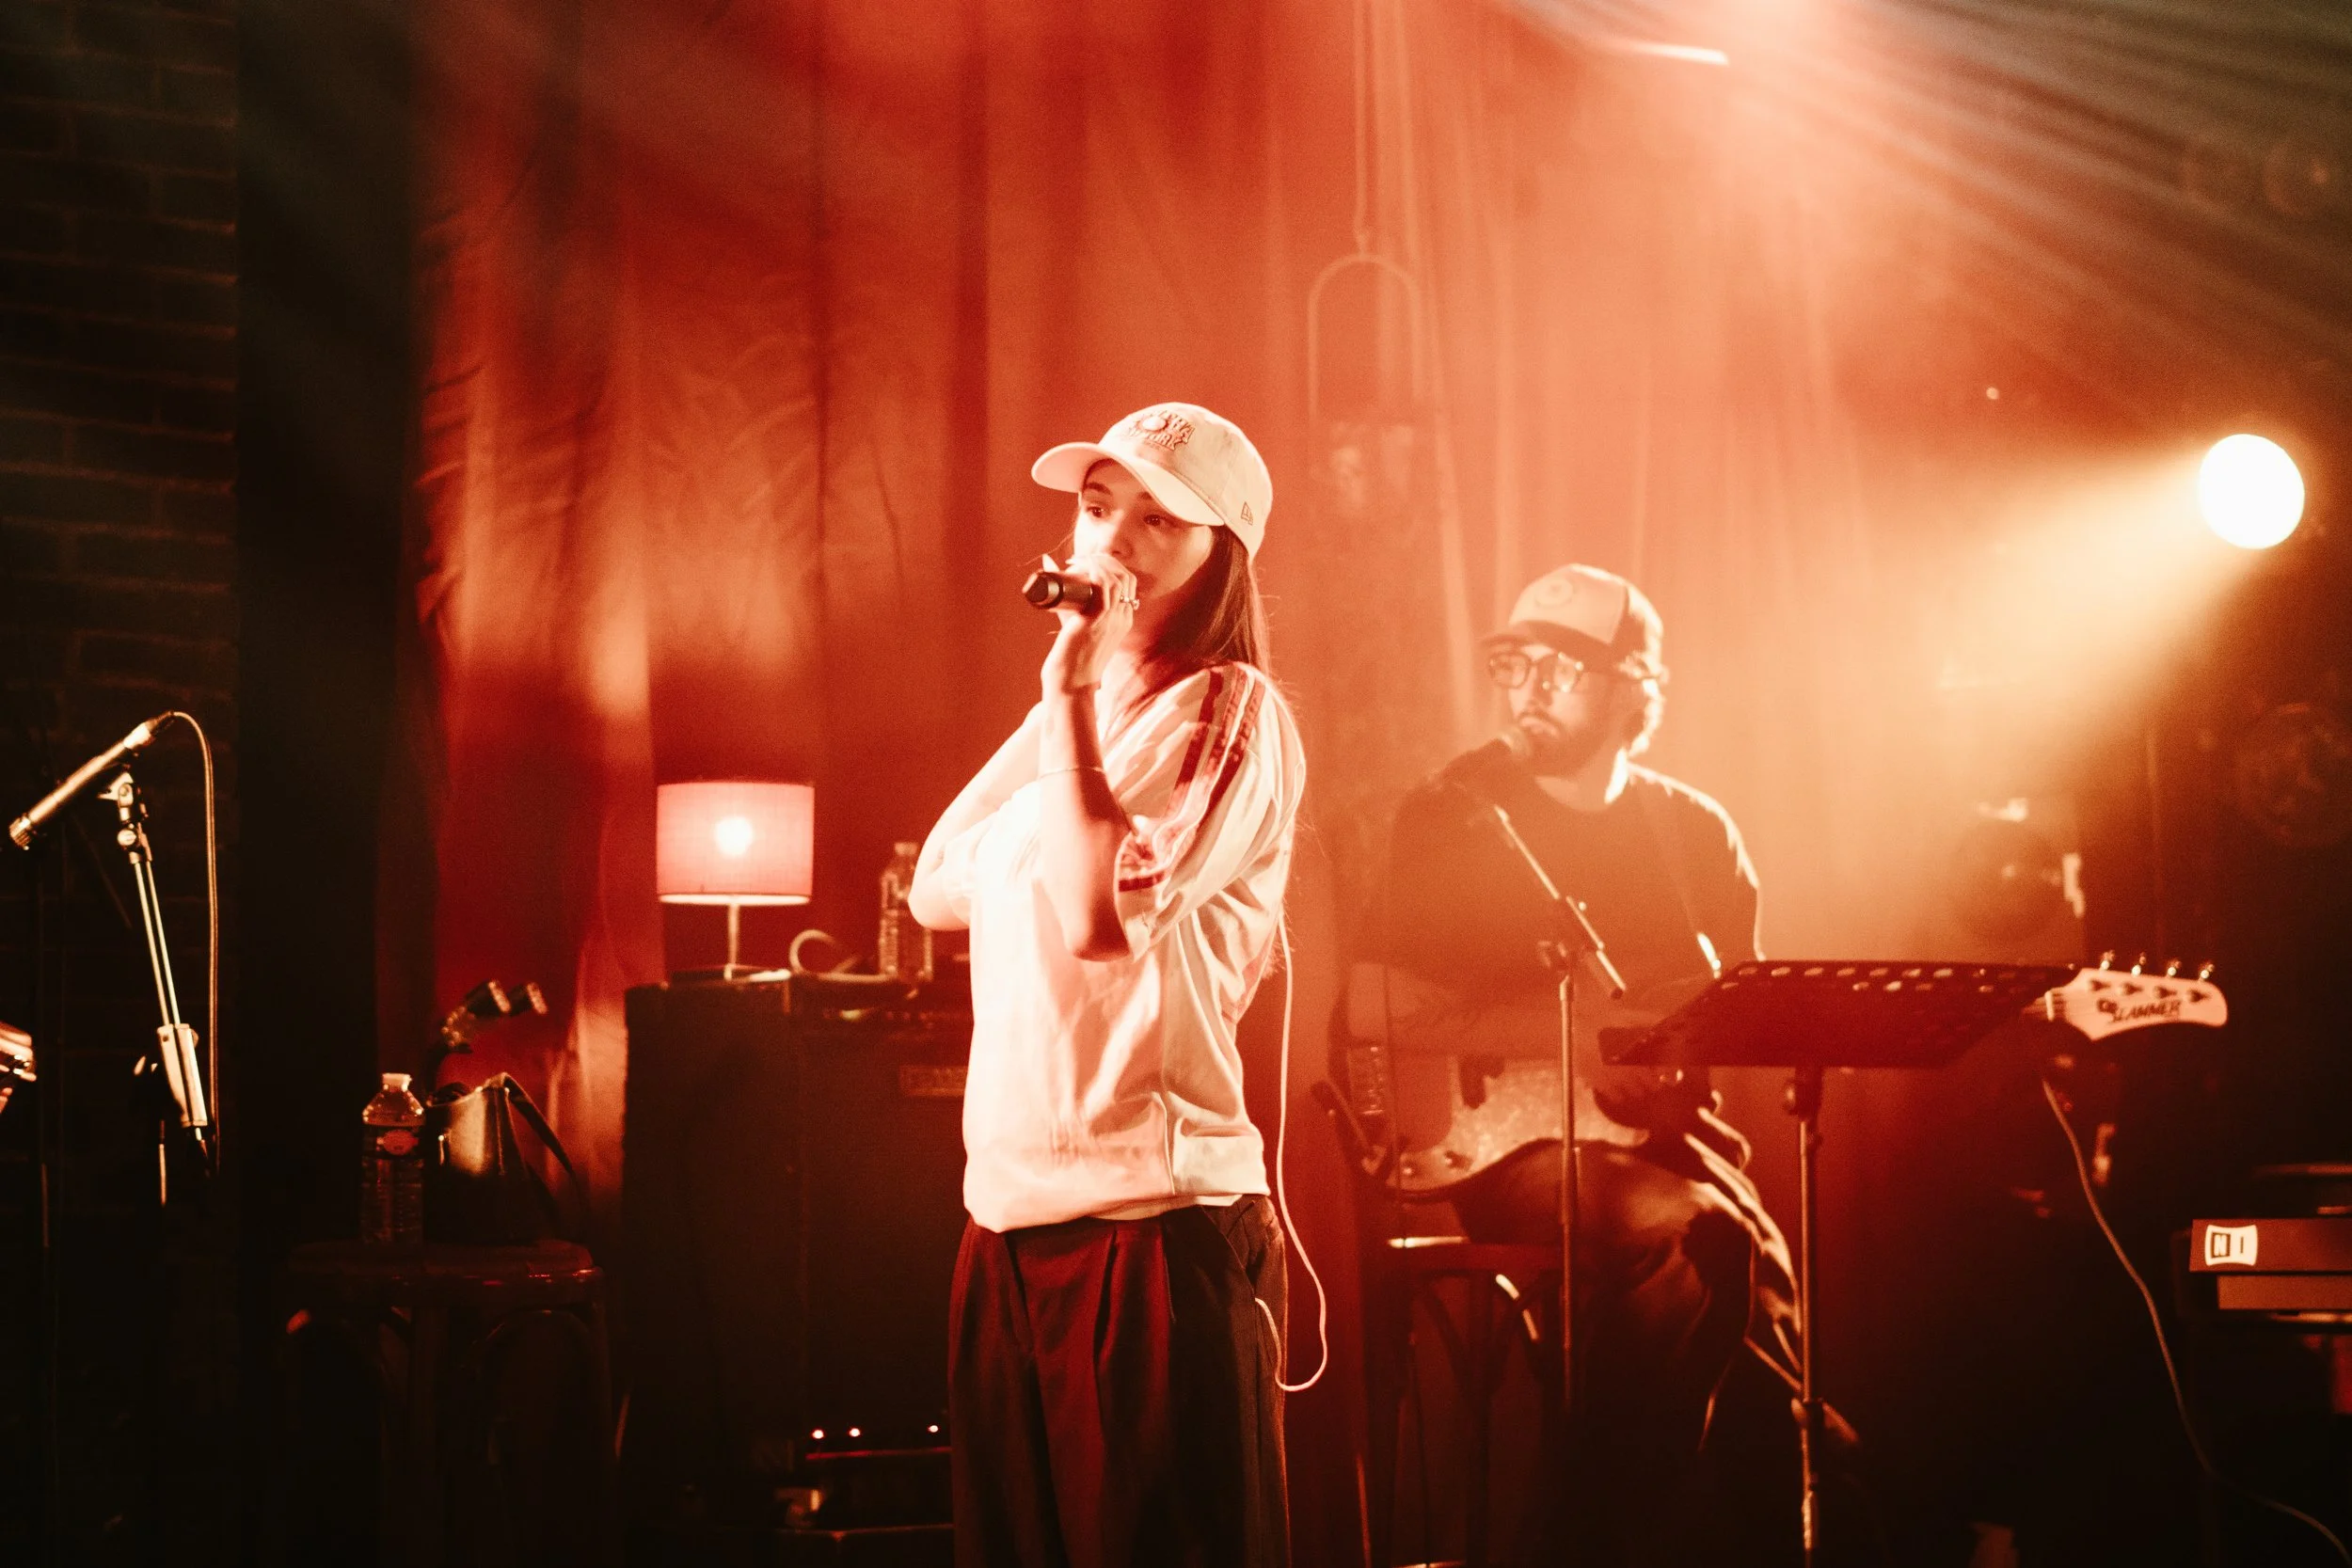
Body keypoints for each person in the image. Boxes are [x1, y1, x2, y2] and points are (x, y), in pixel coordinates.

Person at [908, 403, 1306, 1568]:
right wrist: (1065, 703)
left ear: (1218, 551)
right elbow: (937, 880)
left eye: (1154, 519)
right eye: (1095, 507)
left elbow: (1095, 917)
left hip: (1152, 1225)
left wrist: (1073, 697)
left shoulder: (1231, 710)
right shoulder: (1076, 730)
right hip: (1009, 1223)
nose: (1111, 541)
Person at [1373, 562, 1803, 1565]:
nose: (1526, 685)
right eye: (1511, 662)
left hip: (1659, 1141)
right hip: (1494, 1146)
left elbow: (1735, 1011)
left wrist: (1683, 1044)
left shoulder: (1691, 830)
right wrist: (1576, 1032)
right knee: (1688, 1239)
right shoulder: (1452, 813)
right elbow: (1373, 1003)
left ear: (1631, 687)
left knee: (1767, 1319)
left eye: (1559, 667)